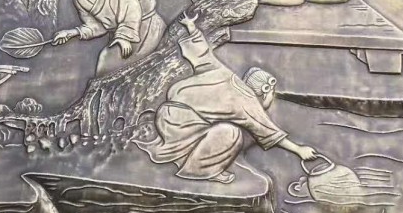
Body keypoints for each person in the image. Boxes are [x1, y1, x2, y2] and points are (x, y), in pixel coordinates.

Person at [135, 10, 317, 183]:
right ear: (265, 89)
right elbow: (270, 132)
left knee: (216, 127)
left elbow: (203, 55)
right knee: (230, 134)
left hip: (165, 116)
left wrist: (191, 27)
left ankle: (185, 156)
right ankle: (199, 170)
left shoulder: (226, 74)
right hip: (183, 123)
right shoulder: (247, 101)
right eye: (272, 93)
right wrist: (299, 150)